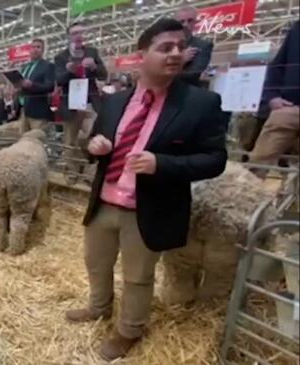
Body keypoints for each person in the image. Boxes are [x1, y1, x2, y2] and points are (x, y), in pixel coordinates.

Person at [64, 19, 228, 361]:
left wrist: (162, 164)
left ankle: (129, 330)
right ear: (142, 54)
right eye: (165, 47)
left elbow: (215, 160)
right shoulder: (113, 101)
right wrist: (93, 146)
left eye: (180, 47)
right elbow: (92, 144)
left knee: (138, 276)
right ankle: (98, 307)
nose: (176, 53)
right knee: (96, 262)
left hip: (150, 207)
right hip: (105, 200)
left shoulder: (202, 103)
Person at [55, 22, 108, 181]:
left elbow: (103, 75)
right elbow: (58, 80)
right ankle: (73, 172)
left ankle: (88, 168)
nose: (78, 36)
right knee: (69, 142)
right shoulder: (61, 57)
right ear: (68, 36)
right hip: (71, 104)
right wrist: (68, 72)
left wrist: (94, 67)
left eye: (81, 33)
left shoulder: (92, 52)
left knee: (92, 137)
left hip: (90, 103)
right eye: (74, 33)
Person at [249, 20, 299, 178]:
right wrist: (272, 96)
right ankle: (247, 196)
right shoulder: (297, 28)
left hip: (288, 106)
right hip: (288, 107)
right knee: (257, 164)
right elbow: (277, 64)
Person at [18, 38, 55, 132]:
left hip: (38, 112)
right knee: (23, 141)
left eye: (38, 47)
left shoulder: (48, 66)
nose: (35, 49)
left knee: (38, 140)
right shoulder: (25, 67)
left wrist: (32, 85)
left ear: (43, 51)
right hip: (24, 111)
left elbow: (50, 86)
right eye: (33, 47)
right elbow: (23, 86)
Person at [175, 6, 214, 87]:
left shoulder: (203, 46)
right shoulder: (166, 44)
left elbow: (192, 75)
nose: (185, 24)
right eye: (182, 21)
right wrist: (181, 60)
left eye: (190, 20)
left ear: (195, 22)